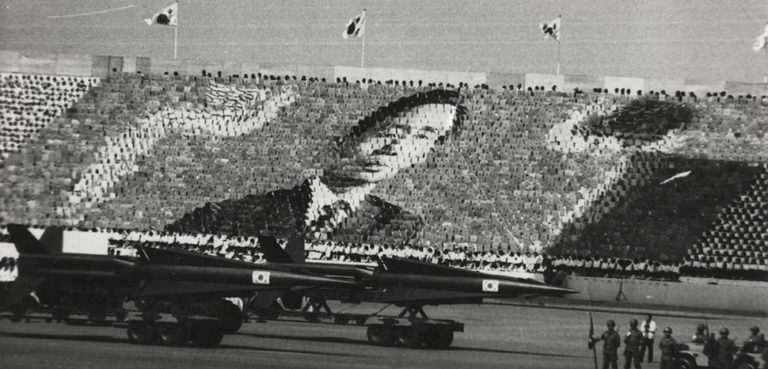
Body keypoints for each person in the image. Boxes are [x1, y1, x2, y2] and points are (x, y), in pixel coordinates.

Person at [166, 90, 466, 244]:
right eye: (389, 131)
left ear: (423, 155)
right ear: (342, 137)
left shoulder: (402, 227)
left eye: (424, 136)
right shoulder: (222, 217)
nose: (394, 148)